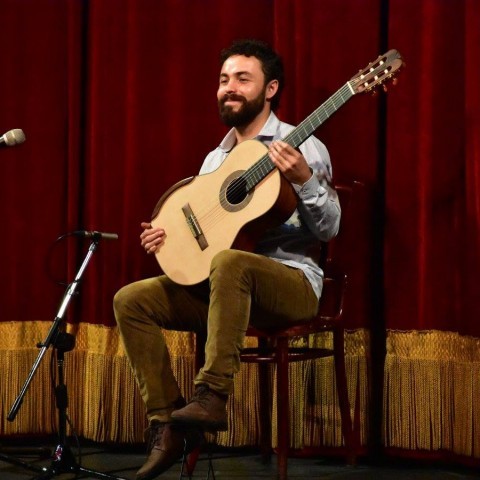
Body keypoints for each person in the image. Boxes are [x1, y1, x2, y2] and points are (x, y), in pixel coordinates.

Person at [113, 38, 341, 480]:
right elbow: (206, 227)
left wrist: (304, 179)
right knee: (131, 300)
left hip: (291, 284)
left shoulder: (301, 144)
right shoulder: (216, 158)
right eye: (223, 80)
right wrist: (170, 236)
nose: (229, 88)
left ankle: (213, 397)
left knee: (231, 262)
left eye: (242, 79)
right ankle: (167, 424)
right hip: (227, 290)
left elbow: (330, 228)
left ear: (270, 89)